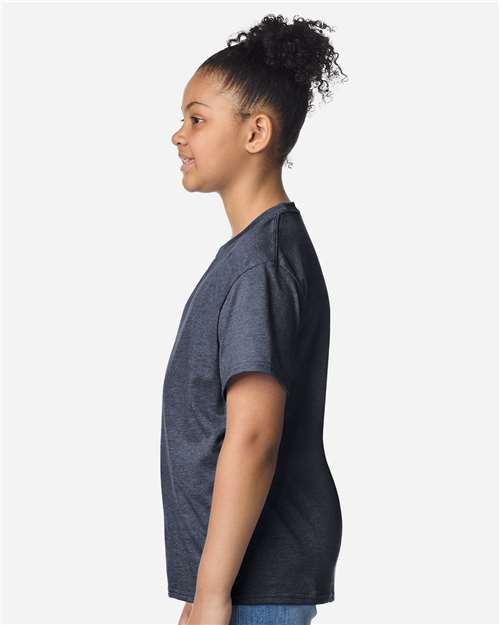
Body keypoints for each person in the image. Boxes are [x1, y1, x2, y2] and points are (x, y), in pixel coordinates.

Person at [161, 13, 347, 625]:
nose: (178, 136)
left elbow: (254, 435)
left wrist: (213, 594)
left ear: (256, 131)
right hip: (240, 582)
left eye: (197, 119)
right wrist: (206, 590)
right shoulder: (255, 256)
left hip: (252, 585)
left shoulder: (260, 267)